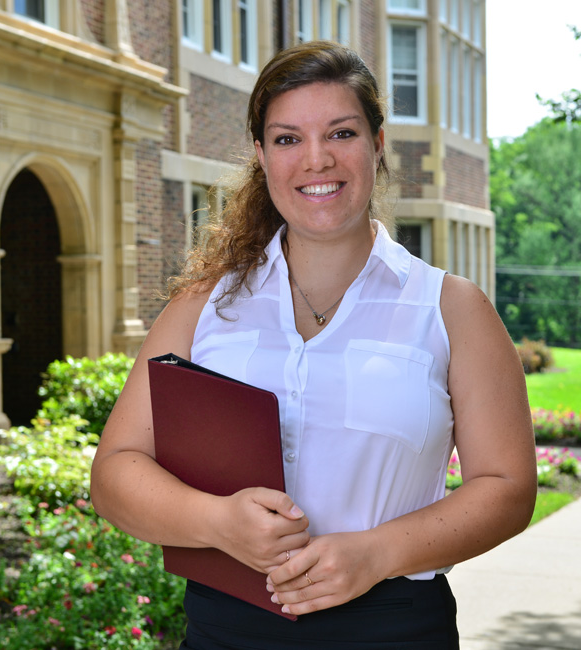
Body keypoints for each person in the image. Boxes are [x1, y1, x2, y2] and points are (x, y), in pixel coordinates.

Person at [90, 40, 536, 649]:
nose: (316, 160)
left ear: (377, 145)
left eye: (341, 133)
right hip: (226, 629)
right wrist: (217, 522)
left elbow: (508, 487)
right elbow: (115, 473)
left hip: (394, 629)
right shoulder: (202, 306)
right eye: (287, 139)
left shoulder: (451, 309)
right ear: (261, 156)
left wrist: (376, 553)